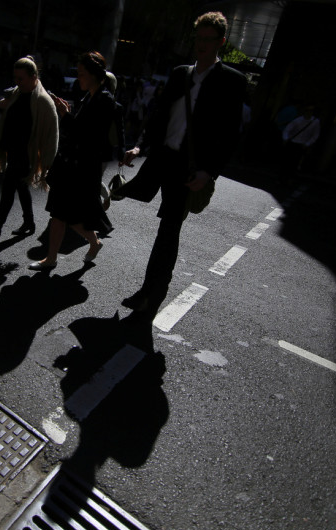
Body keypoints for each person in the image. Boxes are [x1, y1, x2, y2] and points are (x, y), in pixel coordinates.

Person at [118, 11, 247, 315]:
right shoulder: (180, 73)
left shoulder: (231, 81)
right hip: (161, 158)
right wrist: (140, 146)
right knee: (122, 193)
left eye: (207, 40)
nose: (200, 45)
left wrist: (208, 172)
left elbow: (229, 135)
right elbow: (161, 115)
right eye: (198, 38)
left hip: (188, 169)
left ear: (221, 42)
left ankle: (151, 293)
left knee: (168, 230)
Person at [29, 51, 116, 271]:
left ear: (95, 74)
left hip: (81, 168)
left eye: (82, 74)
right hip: (71, 165)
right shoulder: (91, 96)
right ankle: (87, 245)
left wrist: (66, 116)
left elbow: (88, 137)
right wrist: (67, 115)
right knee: (62, 214)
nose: (79, 78)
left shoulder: (104, 100)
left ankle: (54, 258)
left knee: (64, 214)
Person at [0, 56, 59, 244]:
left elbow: (51, 134)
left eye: (20, 78)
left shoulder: (43, 101)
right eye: (15, 78)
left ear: (33, 77)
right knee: (21, 187)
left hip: (27, 154)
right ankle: (29, 223)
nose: (17, 82)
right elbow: (7, 110)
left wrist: (47, 162)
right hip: (12, 149)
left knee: (8, 190)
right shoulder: (17, 93)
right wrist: (1, 105)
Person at [281, 105, 321, 175]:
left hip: (301, 144)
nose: (309, 112)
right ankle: (284, 176)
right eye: (308, 111)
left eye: (311, 111)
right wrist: (285, 138)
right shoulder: (298, 120)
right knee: (288, 161)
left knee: (295, 162)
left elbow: (315, 135)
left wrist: (307, 144)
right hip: (293, 142)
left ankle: (289, 177)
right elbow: (287, 129)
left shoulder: (315, 122)